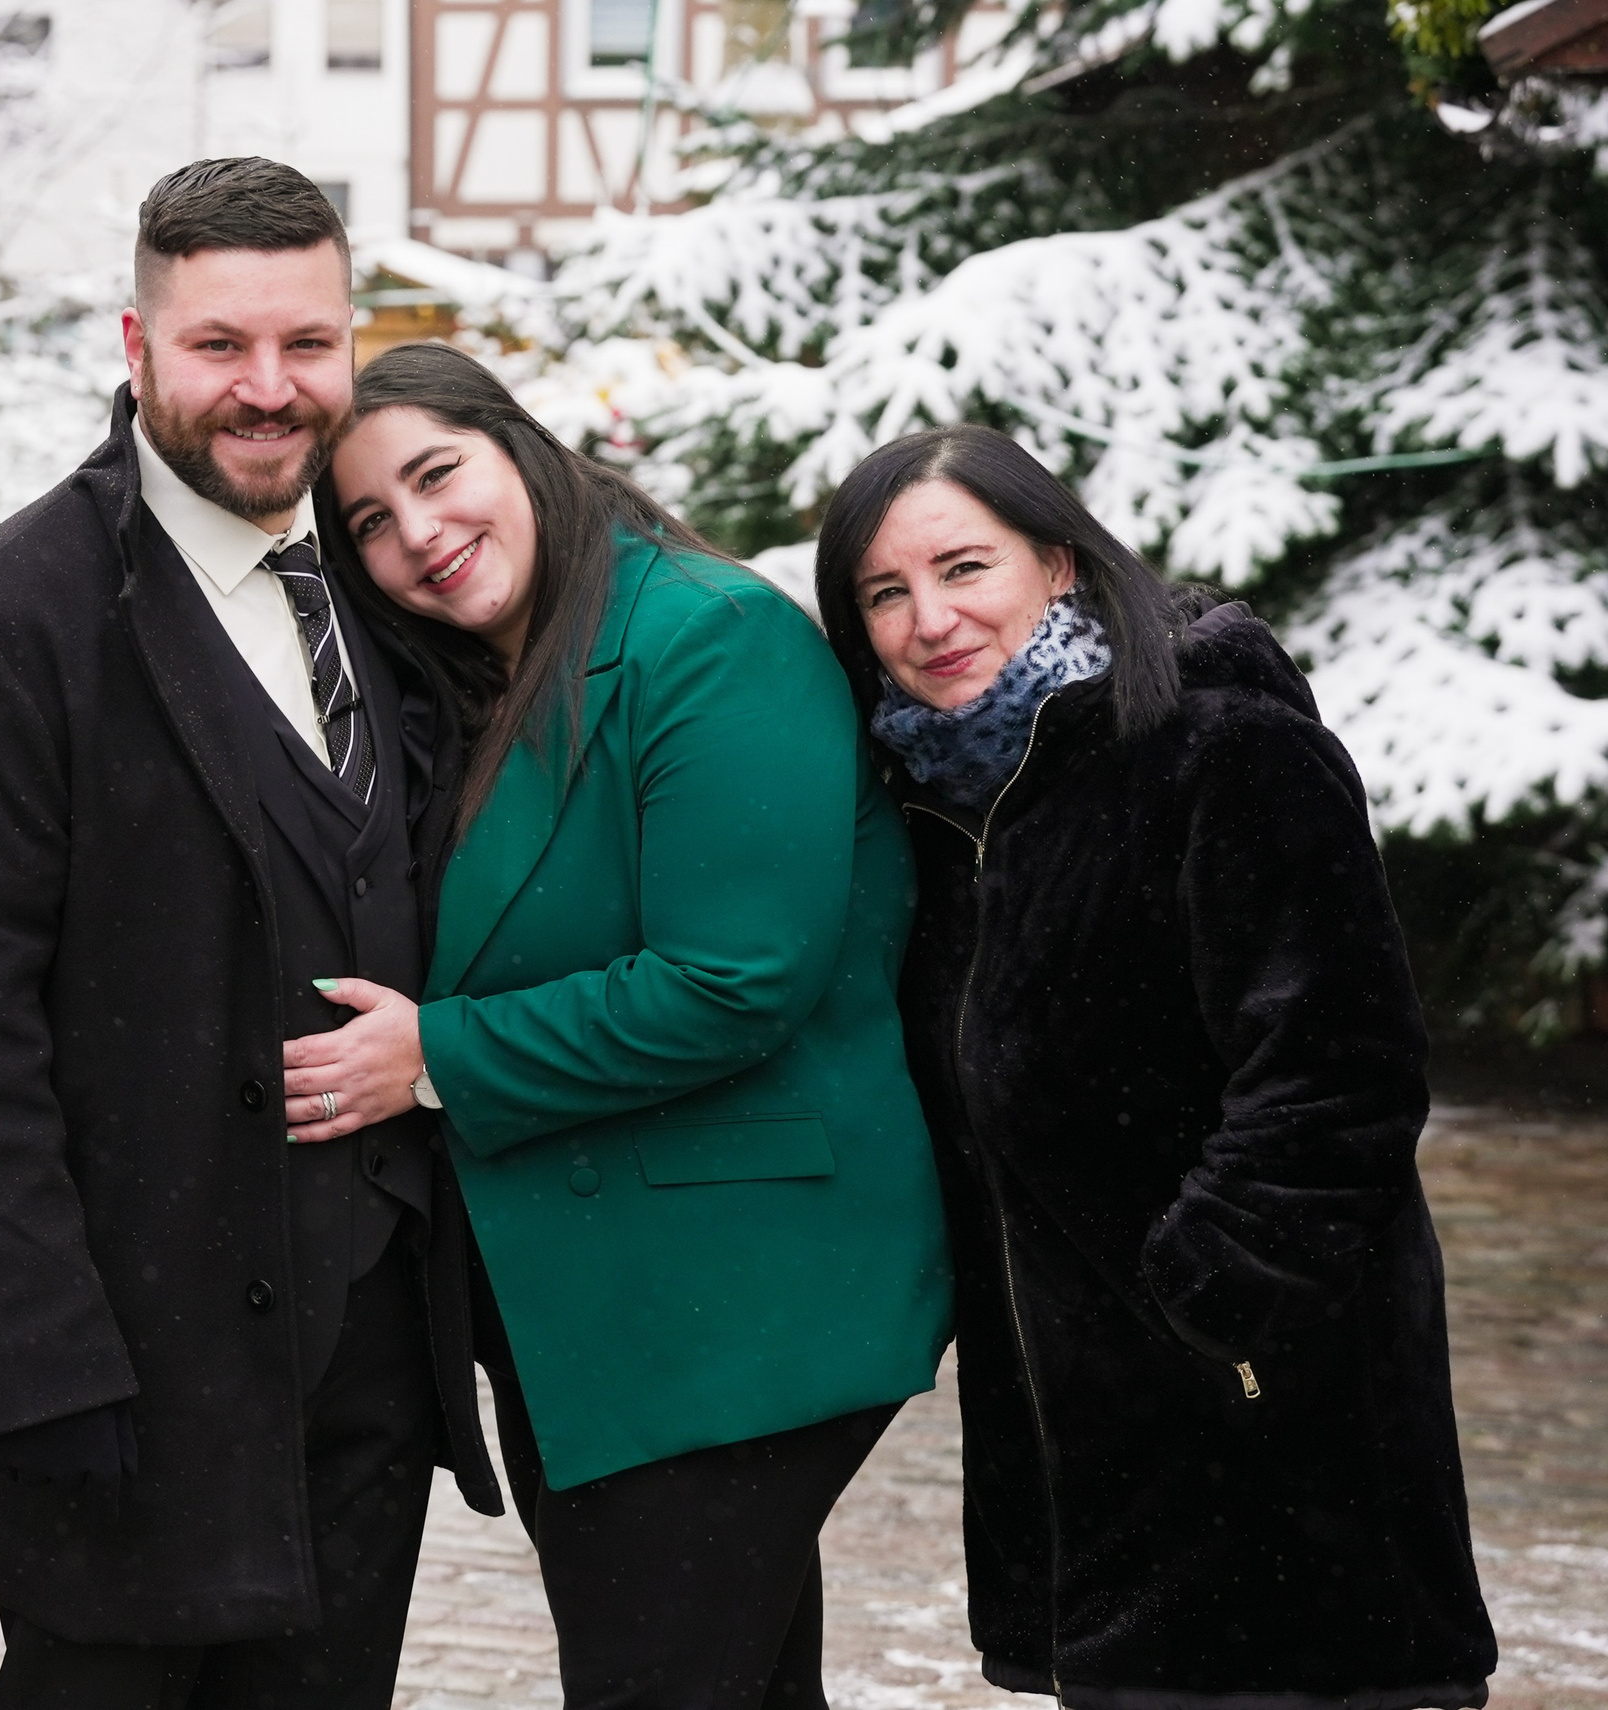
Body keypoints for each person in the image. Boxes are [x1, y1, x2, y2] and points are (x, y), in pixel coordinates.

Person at [0, 159, 503, 1708]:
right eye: (221, 344)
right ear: (137, 344)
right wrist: (44, 1368)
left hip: (365, 1364)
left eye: (307, 343)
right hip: (135, 1369)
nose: (270, 388)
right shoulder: (4, 628)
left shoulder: (386, 592)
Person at [297, 341, 953, 1709]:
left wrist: (437, 1057)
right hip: (612, 1308)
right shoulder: (498, 678)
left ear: (518, 446)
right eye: (369, 519)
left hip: (734, 1296)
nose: (418, 532)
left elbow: (733, 978)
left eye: (436, 473)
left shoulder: (706, 636)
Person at [810, 423, 1497, 1710]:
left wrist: (1206, 1301)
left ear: (1059, 562)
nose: (930, 618)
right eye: (885, 592)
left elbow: (1339, 1073)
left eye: (965, 567)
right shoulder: (940, 800)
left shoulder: (1215, 747)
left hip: (1275, 1420)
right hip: (1080, 1451)